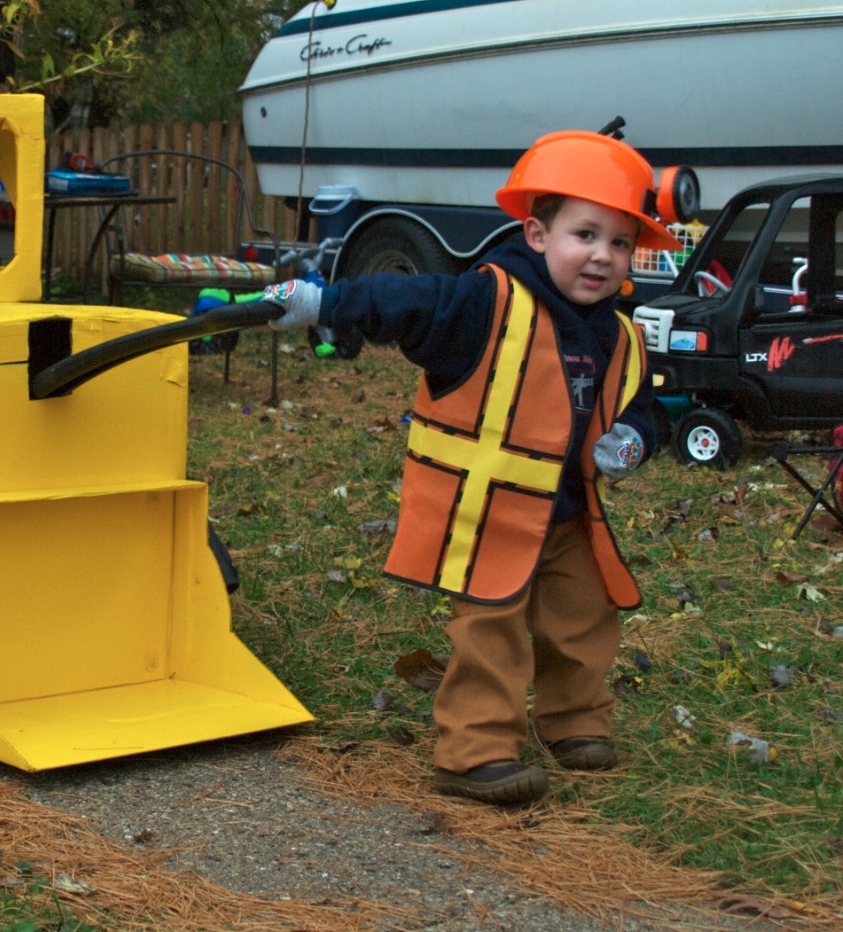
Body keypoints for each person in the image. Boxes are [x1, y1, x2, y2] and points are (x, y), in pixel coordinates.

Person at [263, 131, 682, 805]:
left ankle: (576, 722)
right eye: (585, 234)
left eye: (621, 242)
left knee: (583, 619)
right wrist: (325, 303)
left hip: (572, 515)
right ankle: (475, 752)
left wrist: (634, 437)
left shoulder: (619, 332)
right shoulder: (483, 304)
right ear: (537, 235)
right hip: (491, 513)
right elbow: (403, 300)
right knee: (492, 629)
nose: (603, 256)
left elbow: (644, 407)